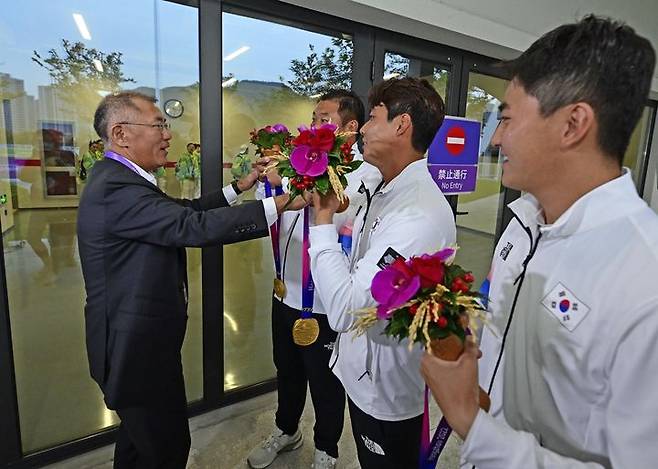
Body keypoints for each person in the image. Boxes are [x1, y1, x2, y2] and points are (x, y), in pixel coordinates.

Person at [420, 15, 658, 469]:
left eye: (507, 119)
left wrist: (472, 423)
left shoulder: (645, 281)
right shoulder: (526, 221)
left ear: (573, 124)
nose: (496, 138)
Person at [77, 91, 303, 469]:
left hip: (146, 346)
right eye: (158, 125)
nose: (167, 135)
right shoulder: (115, 189)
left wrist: (239, 187)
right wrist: (277, 204)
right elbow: (188, 226)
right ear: (121, 133)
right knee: (166, 448)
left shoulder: (123, 179)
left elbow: (181, 210)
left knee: (137, 443)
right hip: (134, 352)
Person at [308, 78, 456, 468]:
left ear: (401, 125)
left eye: (372, 118)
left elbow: (345, 310)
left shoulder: (417, 214)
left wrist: (321, 221)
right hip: (364, 371)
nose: (363, 129)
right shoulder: (386, 188)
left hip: (385, 388)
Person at [247, 89, 381, 469]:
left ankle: (327, 449)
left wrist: (296, 181)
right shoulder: (298, 163)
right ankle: (286, 430)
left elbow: (339, 213)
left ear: (350, 127)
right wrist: (268, 180)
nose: (314, 125)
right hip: (285, 292)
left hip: (325, 302)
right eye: (314, 117)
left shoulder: (363, 174)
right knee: (287, 372)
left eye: (324, 119)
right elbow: (273, 211)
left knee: (325, 383)